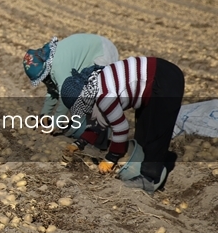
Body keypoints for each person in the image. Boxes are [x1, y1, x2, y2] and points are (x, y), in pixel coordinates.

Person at [61, 56, 184, 193]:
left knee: (156, 128)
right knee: (143, 131)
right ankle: (143, 168)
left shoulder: (104, 97)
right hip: (151, 82)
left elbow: (121, 128)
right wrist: (79, 144)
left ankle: (150, 179)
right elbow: (97, 122)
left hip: (163, 78)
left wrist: (111, 158)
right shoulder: (92, 87)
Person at [24, 34, 120, 143]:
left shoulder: (58, 67)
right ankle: (91, 133)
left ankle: (101, 139)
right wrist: (44, 115)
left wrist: (55, 124)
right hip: (94, 48)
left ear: (45, 68)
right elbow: (52, 90)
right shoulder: (48, 62)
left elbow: (66, 96)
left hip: (103, 52)